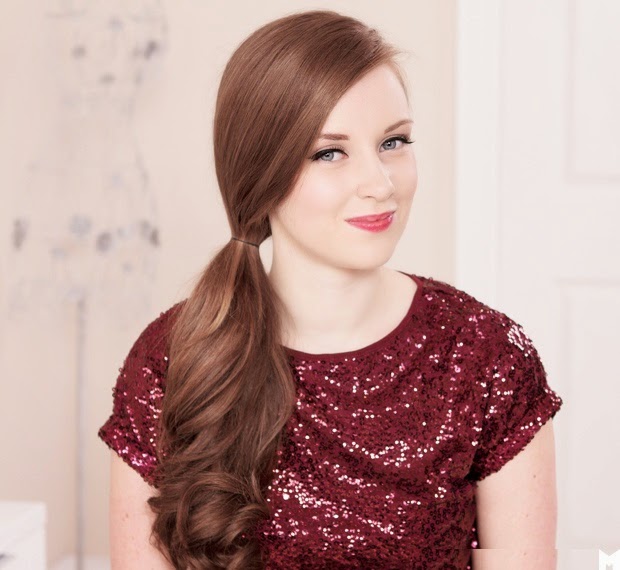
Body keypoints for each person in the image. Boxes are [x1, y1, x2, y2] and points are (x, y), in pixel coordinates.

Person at [98, 9, 564, 570]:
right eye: (329, 152)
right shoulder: (172, 361)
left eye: (394, 141)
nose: (380, 183)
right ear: (260, 176)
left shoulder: (487, 357)